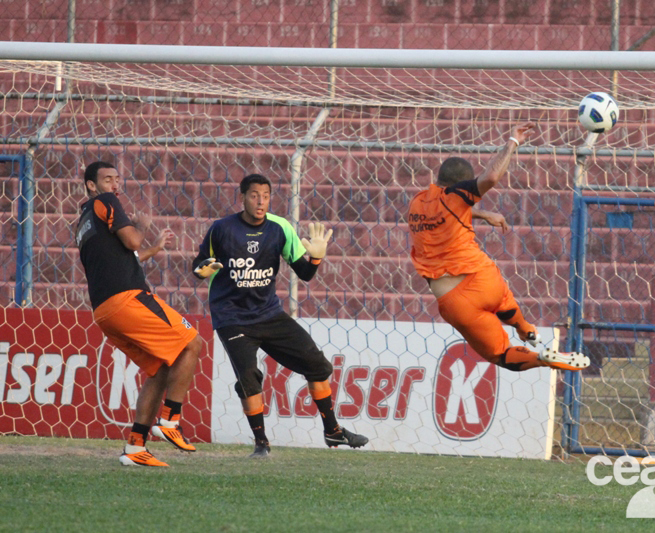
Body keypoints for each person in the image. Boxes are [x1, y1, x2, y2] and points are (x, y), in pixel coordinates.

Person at [192, 173, 368, 458]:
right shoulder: (221, 229)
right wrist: (213, 266)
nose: (260, 201)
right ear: (243, 198)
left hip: (269, 314)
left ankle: (332, 431)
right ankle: (261, 444)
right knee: (249, 377)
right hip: (232, 317)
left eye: (265, 195)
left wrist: (317, 256)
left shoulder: (280, 228)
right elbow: (198, 269)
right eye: (254, 195)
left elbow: (306, 275)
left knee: (318, 366)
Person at [407, 123, 590, 373]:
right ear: (461, 187)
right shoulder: (458, 196)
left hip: (457, 302)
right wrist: (512, 142)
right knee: (503, 302)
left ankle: (541, 358)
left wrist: (480, 214)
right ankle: (524, 326)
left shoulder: (417, 203)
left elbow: (448, 212)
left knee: (501, 355)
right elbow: (490, 178)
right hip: (484, 279)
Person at [75, 161, 202, 467]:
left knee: (159, 370)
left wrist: (154, 248)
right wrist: (143, 225)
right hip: (128, 298)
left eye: (117, 179)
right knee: (193, 343)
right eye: (107, 179)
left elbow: (123, 258)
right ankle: (170, 420)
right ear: (92, 185)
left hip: (105, 311)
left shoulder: (82, 222)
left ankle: (135, 446)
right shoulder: (105, 202)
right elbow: (132, 241)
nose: (114, 185)